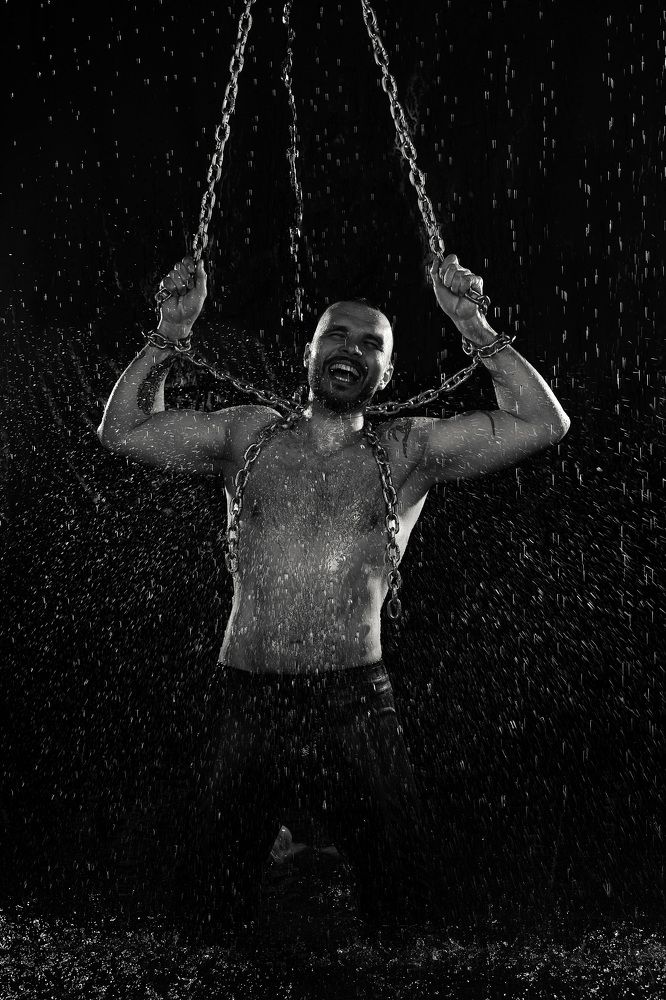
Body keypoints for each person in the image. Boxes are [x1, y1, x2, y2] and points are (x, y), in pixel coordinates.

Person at [97, 253, 570, 937]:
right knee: (209, 912)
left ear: (387, 372)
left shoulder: (407, 449)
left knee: (404, 911)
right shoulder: (247, 434)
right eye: (337, 335)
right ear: (311, 353)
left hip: (355, 703)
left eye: (371, 343)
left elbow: (542, 424)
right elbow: (123, 431)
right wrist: (169, 335)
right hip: (249, 698)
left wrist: (474, 326)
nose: (351, 349)